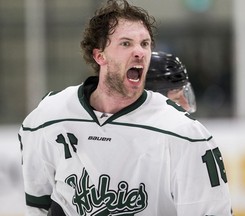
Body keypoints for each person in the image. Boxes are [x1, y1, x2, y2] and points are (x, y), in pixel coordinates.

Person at [18, 0, 233, 215]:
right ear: (99, 56)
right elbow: (39, 203)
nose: (139, 51)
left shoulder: (184, 133)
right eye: (126, 43)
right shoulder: (50, 116)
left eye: (145, 43)